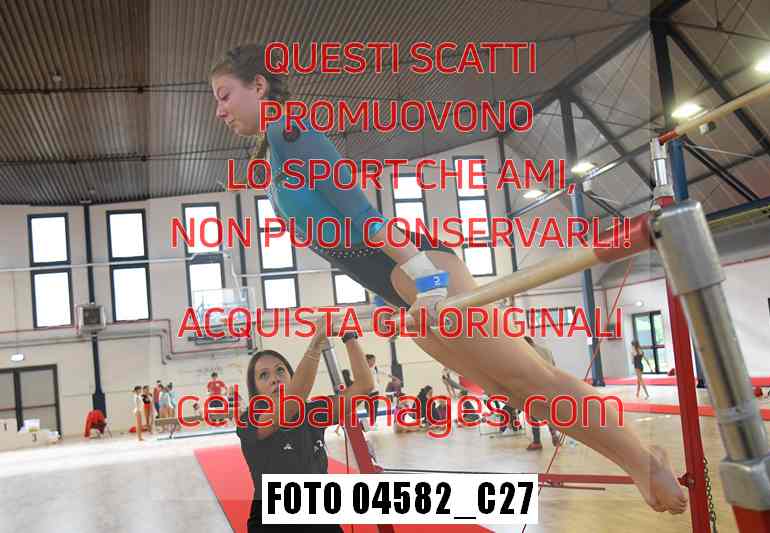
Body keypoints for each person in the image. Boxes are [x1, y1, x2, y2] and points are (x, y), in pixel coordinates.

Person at [209, 44, 687, 515]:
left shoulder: (294, 134)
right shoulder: (273, 158)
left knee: (531, 377)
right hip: (397, 290)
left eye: (225, 95)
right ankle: (639, 459)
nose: (219, 110)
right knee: (514, 393)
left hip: (417, 270)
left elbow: (364, 215)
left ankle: (643, 462)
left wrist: (429, 281)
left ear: (259, 86)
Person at [236, 321, 374, 532]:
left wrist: (349, 336)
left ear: (292, 376)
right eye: (264, 375)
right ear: (255, 389)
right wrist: (315, 345)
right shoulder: (249, 420)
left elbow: (364, 386)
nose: (274, 379)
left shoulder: (312, 413)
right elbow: (292, 404)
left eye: (280, 371)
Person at [524, 337, 563, 450]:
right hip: (550, 386)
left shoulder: (527, 353)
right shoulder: (547, 351)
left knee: (532, 413)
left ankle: (537, 442)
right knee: (547, 412)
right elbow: (554, 366)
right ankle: (554, 434)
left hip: (535, 386)